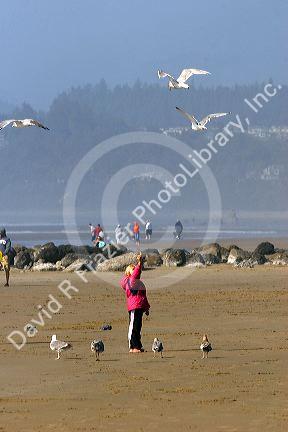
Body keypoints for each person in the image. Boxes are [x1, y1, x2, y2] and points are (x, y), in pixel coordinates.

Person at [120, 253, 150, 353]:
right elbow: (136, 274)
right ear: (128, 273)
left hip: (140, 307)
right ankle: (133, 346)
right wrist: (139, 263)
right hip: (134, 307)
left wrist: (146, 308)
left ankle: (137, 345)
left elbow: (143, 297)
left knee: (138, 327)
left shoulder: (139, 283)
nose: (135, 269)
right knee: (133, 327)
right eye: (132, 268)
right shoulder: (130, 282)